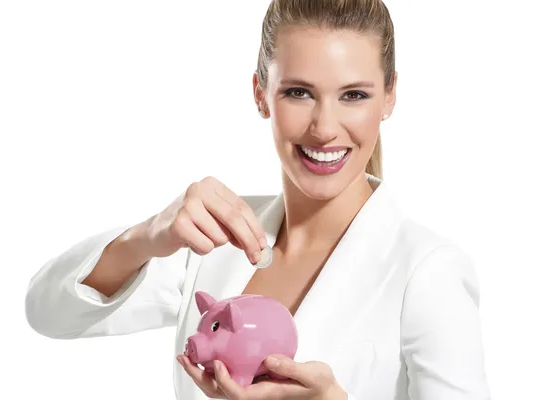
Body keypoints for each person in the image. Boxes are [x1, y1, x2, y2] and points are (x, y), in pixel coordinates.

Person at [25, 0, 491, 399]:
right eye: (298, 92)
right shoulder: (217, 239)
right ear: (260, 94)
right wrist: (148, 236)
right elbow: (48, 313)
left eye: (353, 95)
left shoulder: (427, 271)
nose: (325, 128)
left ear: (389, 97)